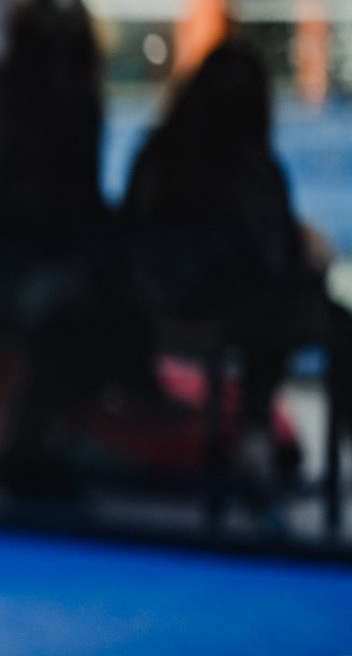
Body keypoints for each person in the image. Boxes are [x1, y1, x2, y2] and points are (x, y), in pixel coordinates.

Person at [0, 0, 148, 487]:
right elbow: (38, 211)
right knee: (70, 302)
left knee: (79, 294)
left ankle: (29, 436)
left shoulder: (13, 93)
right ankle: (24, 442)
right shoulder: (29, 101)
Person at [121, 38, 352, 473]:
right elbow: (275, 258)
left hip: (159, 304)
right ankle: (256, 426)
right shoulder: (253, 171)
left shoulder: (156, 156)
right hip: (228, 310)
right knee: (316, 314)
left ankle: (255, 430)